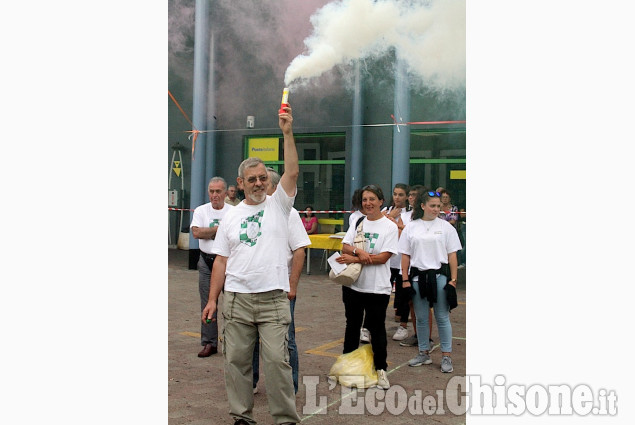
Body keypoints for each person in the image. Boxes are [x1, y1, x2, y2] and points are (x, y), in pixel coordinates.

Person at [202, 104, 301, 425]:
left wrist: (287, 133)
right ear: (240, 183)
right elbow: (220, 260)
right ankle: (242, 417)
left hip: (273, 300)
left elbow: (292, 172)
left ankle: (286, 419)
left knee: (277, 363)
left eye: (262, 178)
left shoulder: (279, 205)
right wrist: (213, 299)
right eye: (252, 179)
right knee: (237, 363)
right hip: (237, 301)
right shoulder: (230, 215)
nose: (259, 183)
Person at [252, 167, 310, 395]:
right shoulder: (251, 211)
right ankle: (252, 381)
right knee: (252, 340)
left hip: (281, 289)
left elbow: (299, 251)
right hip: (255, 288)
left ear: (275, 188)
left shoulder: (289, 213)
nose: (258, 186)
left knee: (287, 340)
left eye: (264, 182)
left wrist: (292, 286)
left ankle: (290, 386)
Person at [335, 184, 399, 389]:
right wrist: (357, 251)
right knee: (352, 326)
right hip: (354, 286)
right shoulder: (358, 221)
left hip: (377, 288)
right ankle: (346, 368)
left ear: (381, 201)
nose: (368, 203)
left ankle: (381, 370)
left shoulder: (389, 227)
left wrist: (356, 258)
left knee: (376, 328)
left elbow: (384, 257)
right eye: (365, 199)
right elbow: (345, 245)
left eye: (372, 199)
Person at [400, 190, 462, 373]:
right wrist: (405, 279)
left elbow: (452, 256)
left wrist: (453, 280)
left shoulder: (446, 228)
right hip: (418, 278)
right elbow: (405, 255)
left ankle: (446, 356)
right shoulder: (411, 227)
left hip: (439, 277)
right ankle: (423, 352)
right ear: (422, 206)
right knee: (420, 317)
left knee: (442, 317)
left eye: (438, 206)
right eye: (432, 205)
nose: (436, 209)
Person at [190, 177, 233, 357]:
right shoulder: (201, 210)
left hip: (228, 263)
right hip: (206, 262)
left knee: (233, 304)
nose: (214, 195)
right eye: (211, 191)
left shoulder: (234, 211)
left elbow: (235, 235)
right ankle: (209, 342)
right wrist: (221, 230)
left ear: (225, 193)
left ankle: (234, 343)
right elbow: (197, 232)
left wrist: (209, 232)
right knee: (208, 303)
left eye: (218, 191)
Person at [381, 183, 411, 341]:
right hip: (386, 260)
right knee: (381, 293)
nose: (397, 197)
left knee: (403, 295)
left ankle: (403, 326)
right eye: (395, 194)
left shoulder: (410, 214)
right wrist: (390, 217)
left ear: (407, 196)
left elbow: (407, 233)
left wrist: (393, 221)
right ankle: (374, 324)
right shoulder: (385, 211)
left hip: (402, 262)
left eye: (401, 194)